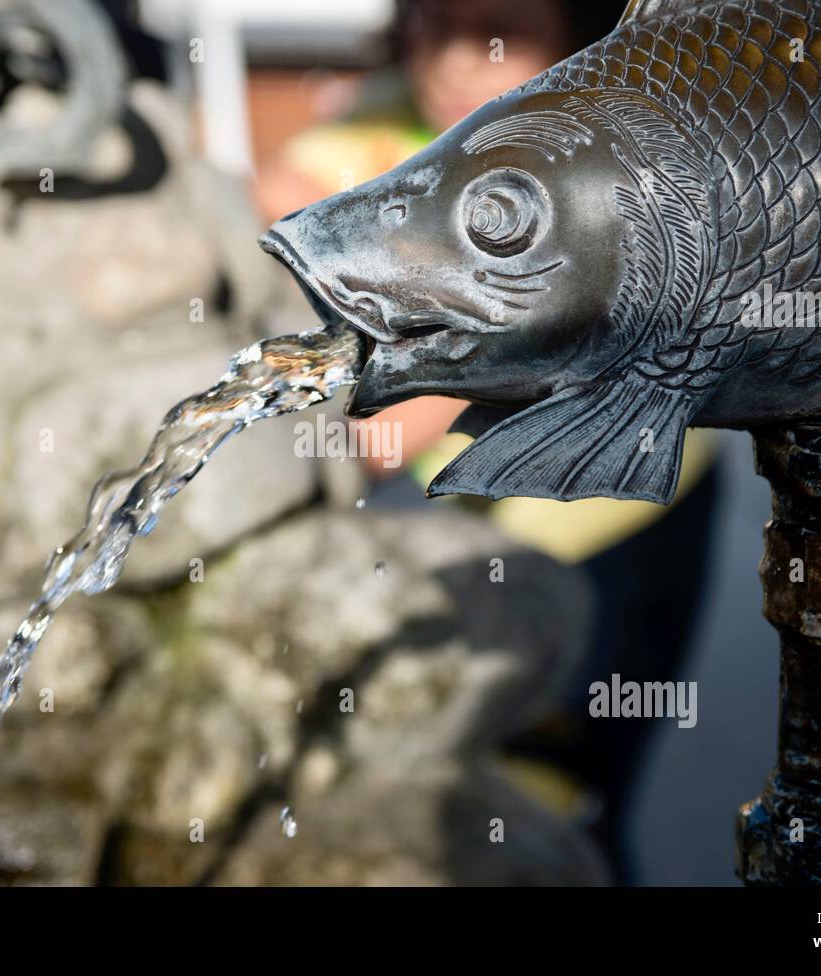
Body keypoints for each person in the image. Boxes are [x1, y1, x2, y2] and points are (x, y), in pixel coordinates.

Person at [255, 0, 722, 881]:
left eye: (506, 27)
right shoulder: (369, 137)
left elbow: (388, 435)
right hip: (450, 522)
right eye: (442, 25)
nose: (470, 57)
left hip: (610, 519)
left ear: (580, 38)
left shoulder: (620, 163)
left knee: (564, 795)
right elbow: (280, 209)